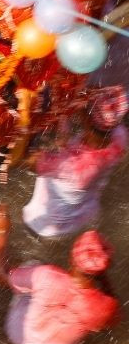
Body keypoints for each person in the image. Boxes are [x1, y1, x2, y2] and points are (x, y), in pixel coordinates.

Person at [0, 204, 120, 344]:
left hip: (18, 334)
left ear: (71, 258)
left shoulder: (46, 276)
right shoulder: (103, 306)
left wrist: (0, 231)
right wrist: (102, 277)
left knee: (31, 264)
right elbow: (113, 320)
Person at [23, 85, 128, 237]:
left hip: (50, 221)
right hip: (84, 211)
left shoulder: (71, 166)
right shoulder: (119, 135)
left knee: (31, 222)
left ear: (86, 117)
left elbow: (28, 161)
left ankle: (34, 235)